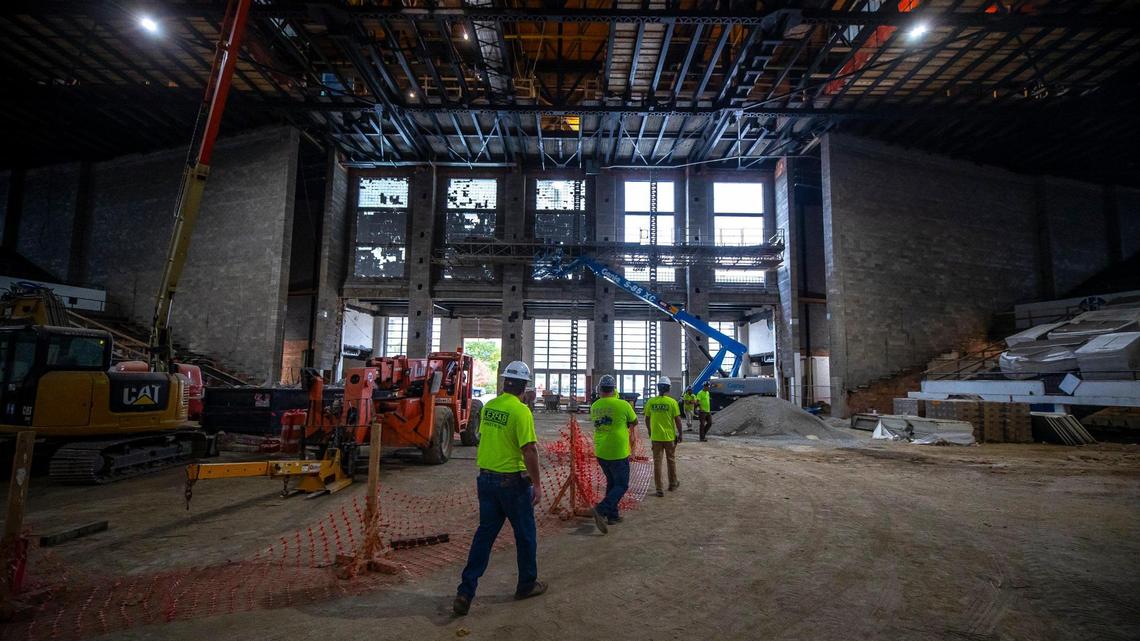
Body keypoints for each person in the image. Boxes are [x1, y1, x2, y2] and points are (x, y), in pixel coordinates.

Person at [454, 361, 546, 616]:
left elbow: (488, 438)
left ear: (505, 382)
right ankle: (526, 584)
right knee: (525, 535)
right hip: (512, 484)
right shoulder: (521, 412)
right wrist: (537, 484)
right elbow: (529, 450)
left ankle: (465, 591)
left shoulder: (490, 407)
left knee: (484, 536)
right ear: (524, 386)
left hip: (486, 481)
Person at [588, 374, 638, 532]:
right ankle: (601, 509)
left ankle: (612, 515)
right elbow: (634, 422)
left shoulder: (594, 406)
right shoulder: (623, 405)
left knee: (612, 482)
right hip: (618, 451)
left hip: (601, 451)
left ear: (600, 389)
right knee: (622, 485)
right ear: (614, 388)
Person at [643, 376, 682, 497]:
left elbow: (647, 418)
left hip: (656, 438)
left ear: (658, 388)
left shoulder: (651, 402)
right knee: (671, 461)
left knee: (657, 463)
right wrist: (680, 433)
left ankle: (659, 489)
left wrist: (650, 431)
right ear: (669, 388)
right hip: (669, 437)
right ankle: (672, 484)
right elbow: (678, 420)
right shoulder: (672, 402)